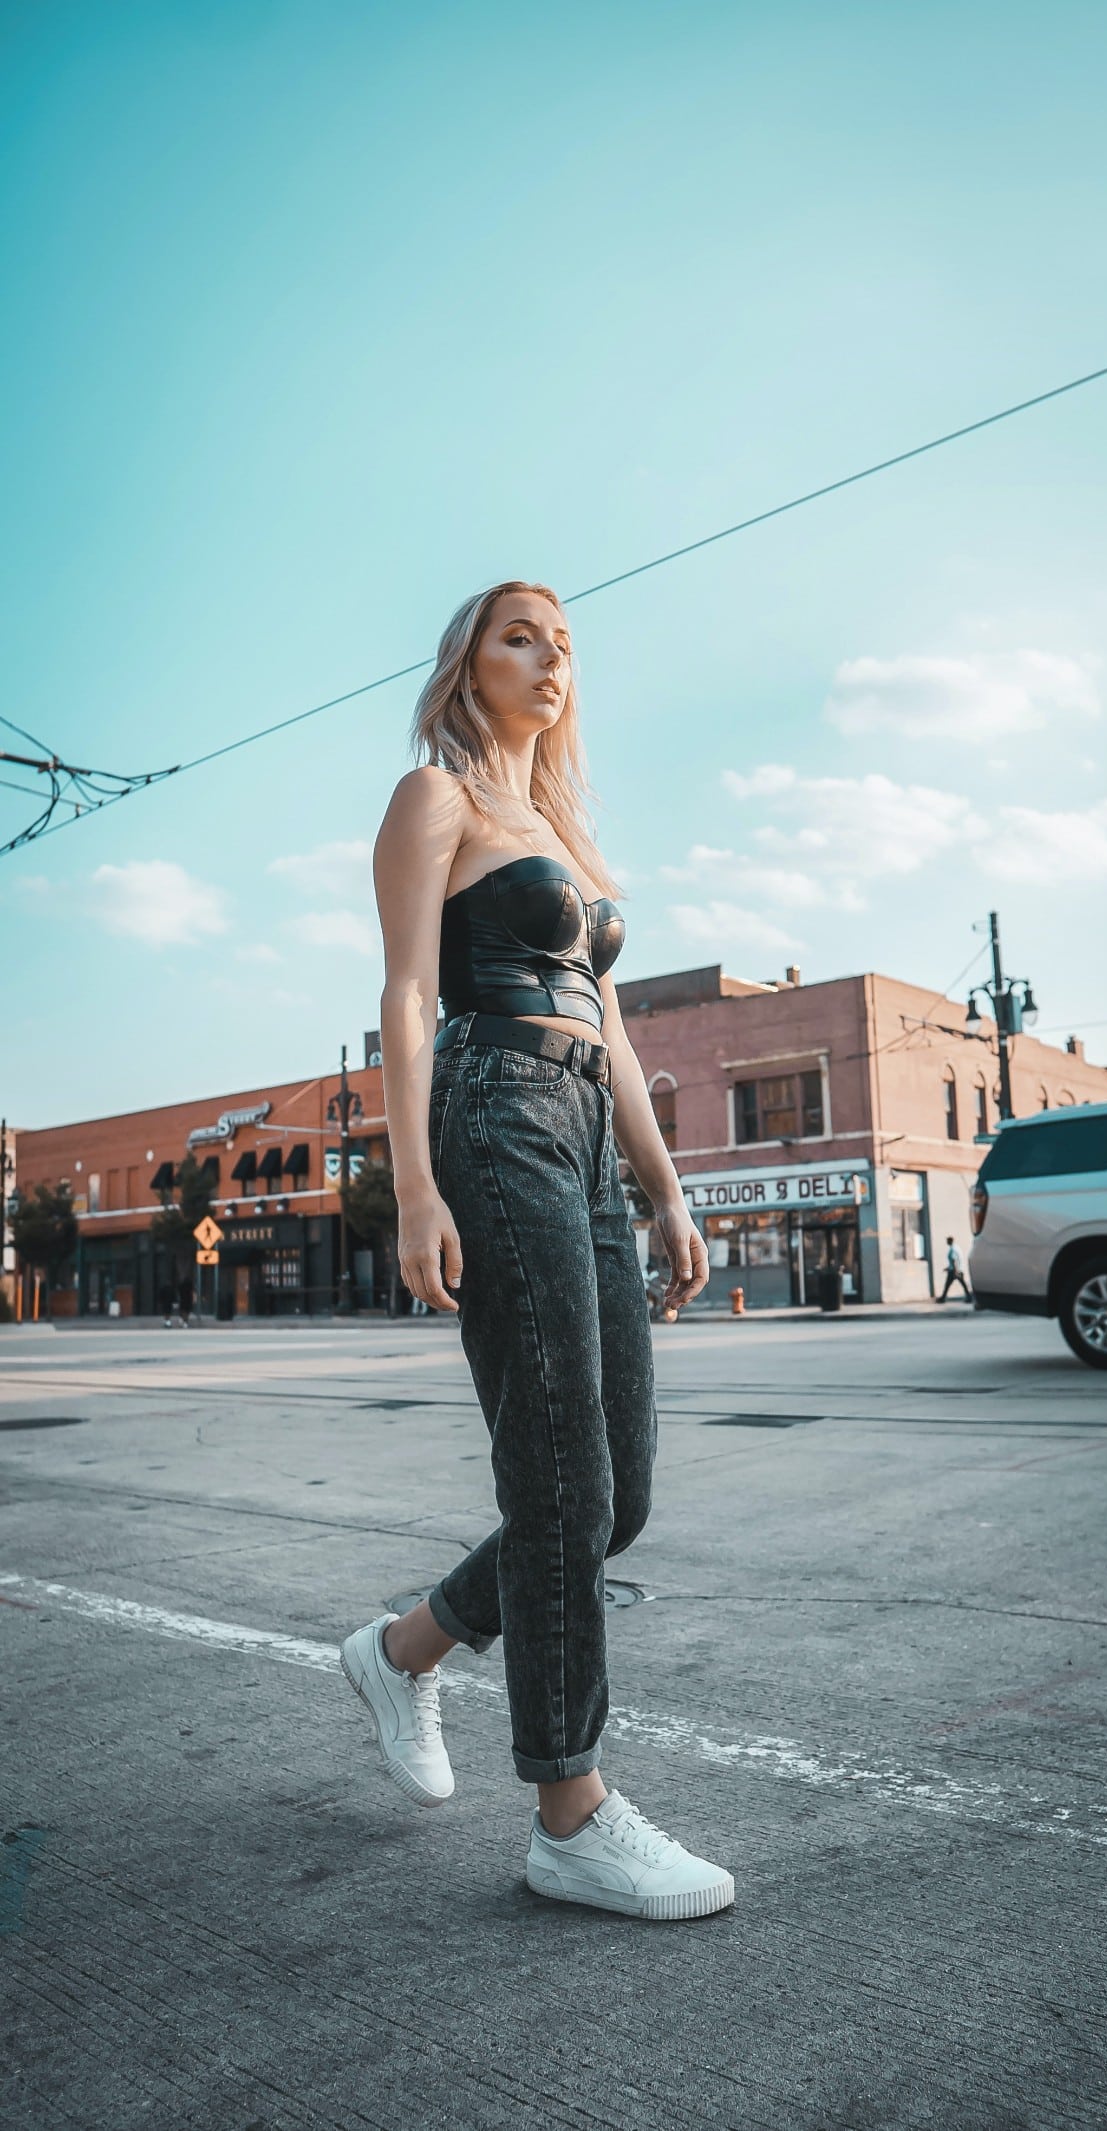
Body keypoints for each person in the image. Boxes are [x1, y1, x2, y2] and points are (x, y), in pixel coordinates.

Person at [339, 580, 734, 1922]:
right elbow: (401, 991)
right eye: (520, 633)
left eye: (563, 641)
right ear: (467, 661)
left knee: (611, 1494)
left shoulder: (558, 827)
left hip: (583, 1135)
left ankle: (404, 1649)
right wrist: (410, 1185)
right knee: (559, 1469)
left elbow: (612, 1029)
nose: (548, 654)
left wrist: (667, 1186)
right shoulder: (433, 797)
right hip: (491, 1110)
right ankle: (570, 1811)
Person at [937, 1235, 972, 1303]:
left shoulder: (953, 1249)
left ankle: (943, 1298)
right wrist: (948, 1268)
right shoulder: (956, 1248)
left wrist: (955, 1271)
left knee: (947, 1285)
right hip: (958, 1270)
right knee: (963, 1284)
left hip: (954, 1271)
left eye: (947, 1240)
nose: (946, 1242)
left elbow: (954, 1260)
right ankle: (969, 1297)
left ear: (950, 1241)